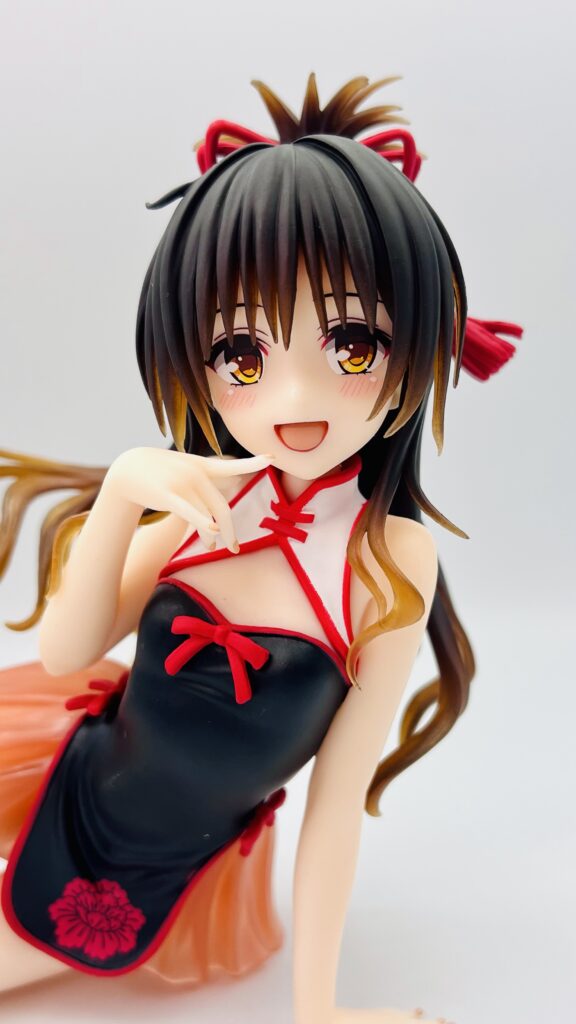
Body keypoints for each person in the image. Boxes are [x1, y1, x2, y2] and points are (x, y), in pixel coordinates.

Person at [0, 74, 521, 1022]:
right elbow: (69, 653)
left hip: (167, 862)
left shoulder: (389, 561)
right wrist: (123, 490)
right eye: (242, 356)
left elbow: (335, 803)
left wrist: (317, 1009)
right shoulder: (202, 499)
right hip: (64, 776)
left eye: (352, 346)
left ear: (420, 348)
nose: (294, 402)